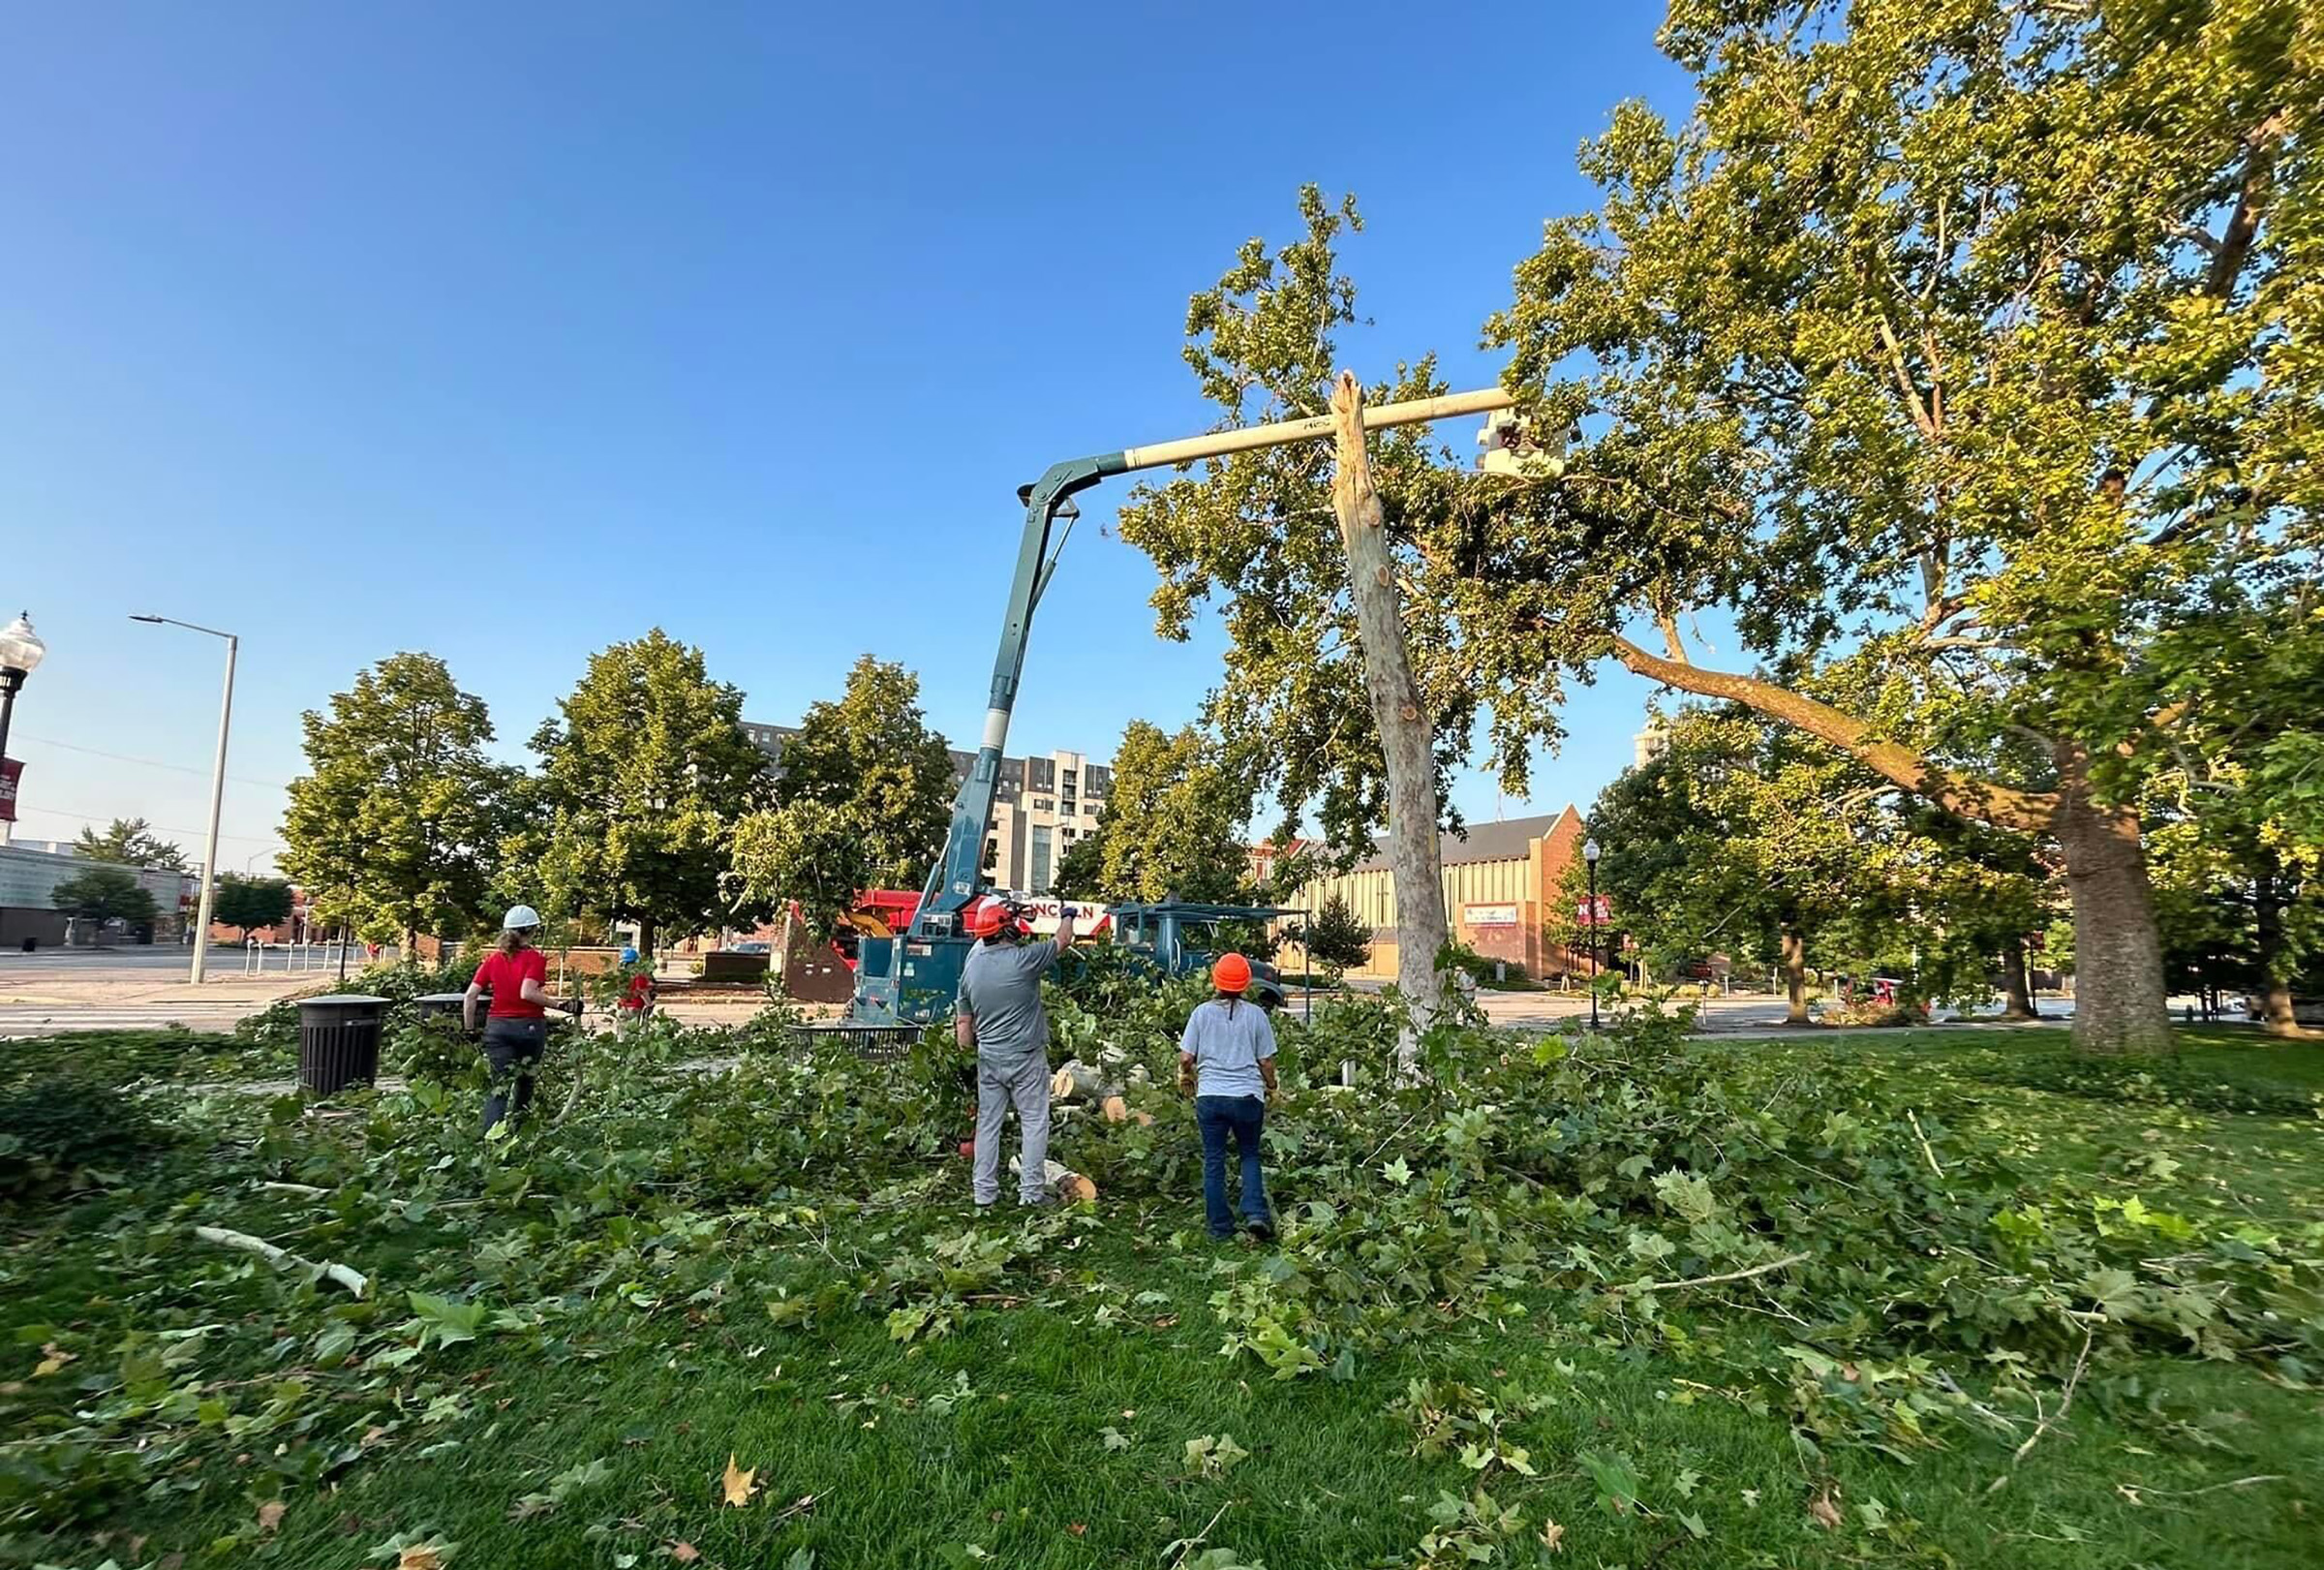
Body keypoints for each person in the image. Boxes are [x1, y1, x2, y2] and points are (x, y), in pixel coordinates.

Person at [956, 897, 1075, 1209]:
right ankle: (1031, 1194)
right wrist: (1068, 915)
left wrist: (967, 1060)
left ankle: (984, 1195)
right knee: (1034, 1122)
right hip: (1026, 1057)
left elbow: (963, 1023)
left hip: (989, 1058)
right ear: (1007, 930)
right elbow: (1062, 940)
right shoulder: (1024, 959)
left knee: (988, 1125)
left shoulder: (970, 969)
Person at [1178, 953, 1278, 1241]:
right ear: (1247, 984)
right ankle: (1256, 1214)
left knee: (1214, 1159)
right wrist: (1271, 1086)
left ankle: (1219, 1228)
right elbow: (1266, 1062)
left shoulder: (1201, 1013)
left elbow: (1186, 1057)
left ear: (1215, 981)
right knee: (1249, 1153)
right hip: (1248, 1097)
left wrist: (1186, 1074)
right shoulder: (1257, 1015)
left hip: (1211, 1098)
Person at [462, 905, 583, 1136]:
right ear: (532, 930)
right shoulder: (534, 959)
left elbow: (470, 996)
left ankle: (490, 1140)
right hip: (528, 1028)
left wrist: (470, 1029)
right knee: (525, 1084)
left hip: (496, 1029)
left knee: (499, 1088)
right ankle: (520, 1135)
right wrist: (562, 1005)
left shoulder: (493, 959)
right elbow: (527, 993)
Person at [615, 946, 657, 1029]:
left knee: (621, 1036)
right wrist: (649, 1004)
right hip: (634, 1007)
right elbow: (642, 990)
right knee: (632, 1033)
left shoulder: (620, 975)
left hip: (622, 1007)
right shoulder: (638, 975)